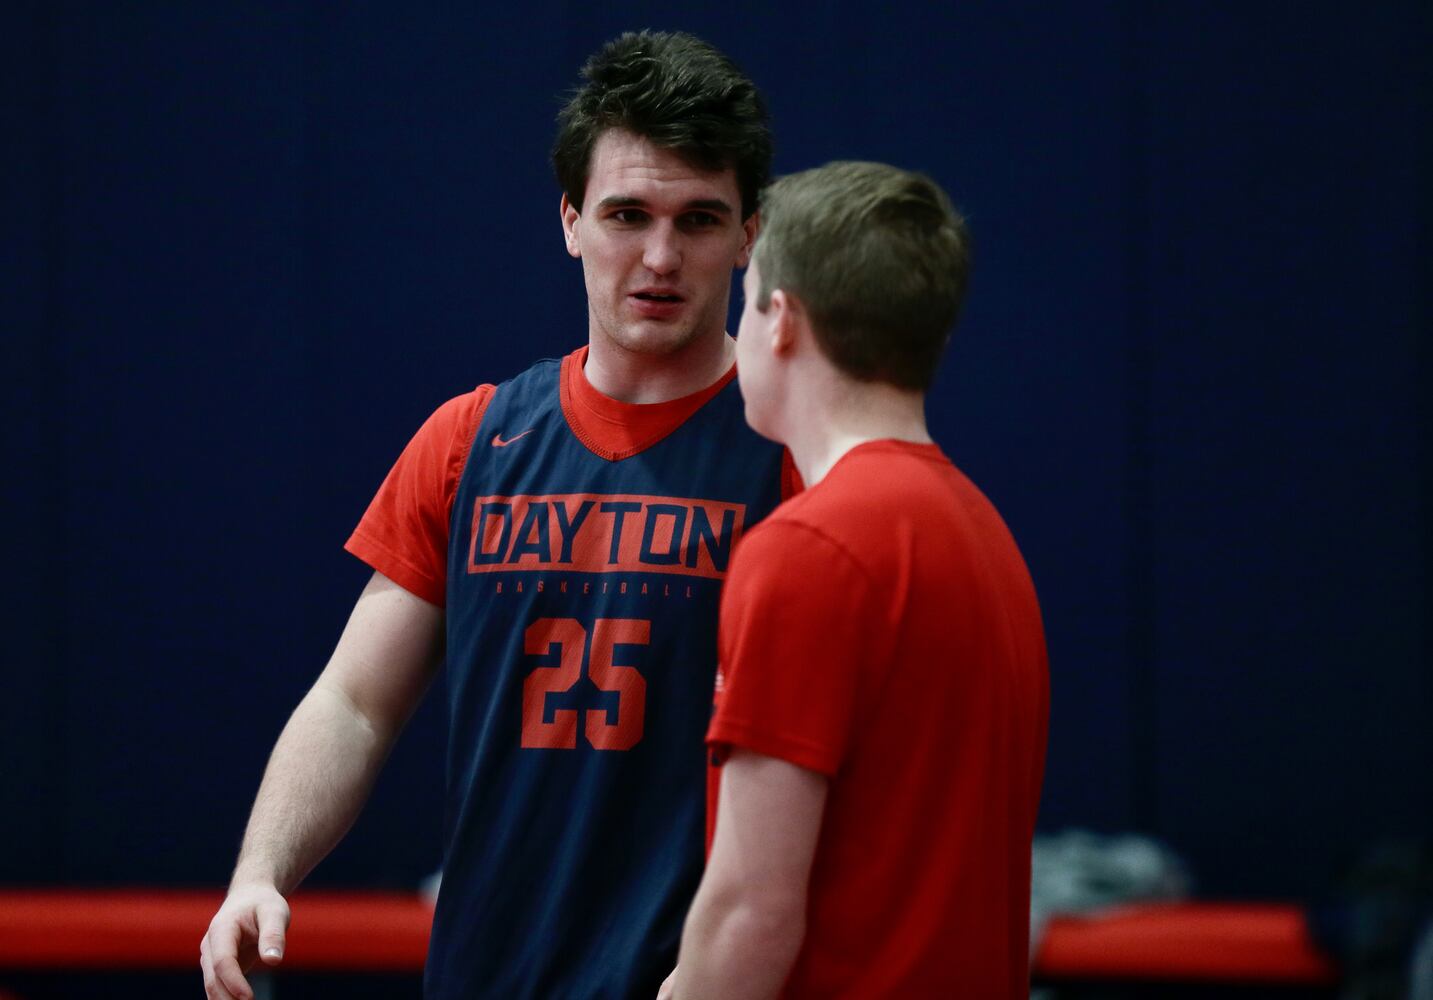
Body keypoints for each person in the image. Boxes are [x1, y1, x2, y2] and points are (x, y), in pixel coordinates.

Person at [200, 31, 797, 1000]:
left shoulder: (795, 458)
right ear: (568, 220)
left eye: (696, 219)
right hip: (485, 971)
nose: (657, 255)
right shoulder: (472, 438)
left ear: (747, 235)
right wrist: (260, 870)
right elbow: (354, 703)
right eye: (624, 213)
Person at [668, 162, 1050, 999]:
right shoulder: (985, 536)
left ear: (781, 322)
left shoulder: (806, 549)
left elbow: (748, 914)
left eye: (747, 299)